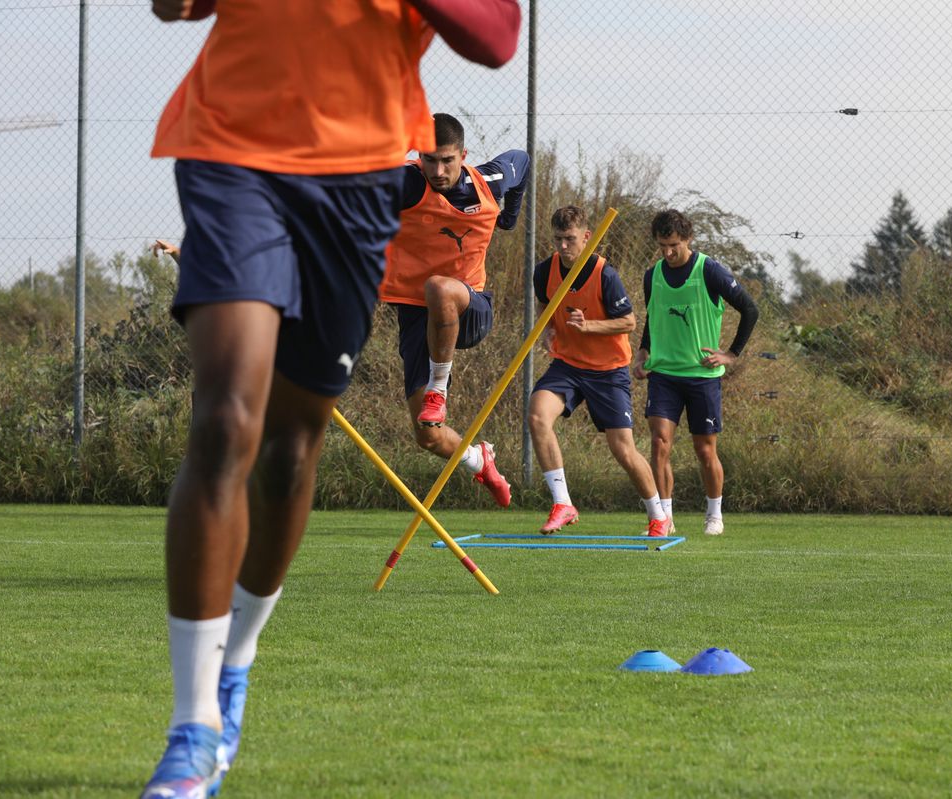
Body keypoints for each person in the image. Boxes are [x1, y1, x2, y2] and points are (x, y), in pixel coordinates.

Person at [140, 2, 520, 798]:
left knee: (286, 453)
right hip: (233, 153)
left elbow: (495, 34)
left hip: (355, 191)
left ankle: (235, 663)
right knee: (224, 422)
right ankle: (191, 728)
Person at [378, 112, 528, 508]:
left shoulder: (490, 181)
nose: (438, 170)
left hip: (470, 307)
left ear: (463, 155)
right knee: (428, 435)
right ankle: (481, 460)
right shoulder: (406, 182)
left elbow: (522, 160)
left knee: (440, 287)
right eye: (429, 160)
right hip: (415, 315)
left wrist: (509, 217)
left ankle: (438, 390)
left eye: (447, 160)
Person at [527, 206, 671, 537]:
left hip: (609, 371)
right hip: (568, 365)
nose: (563, 247)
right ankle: (563, 504)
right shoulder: (543, 271)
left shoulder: (605, 274)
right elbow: (544, 303)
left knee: (623, 449)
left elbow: (629, 322)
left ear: (587, 237)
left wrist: (589, 325)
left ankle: (657, 515)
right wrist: (548, 327)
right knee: (537, 415)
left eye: (570, 239)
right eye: (558, 239)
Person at [631, 208, 759, 536]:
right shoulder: (653, 275)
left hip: (702, 377)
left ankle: (714, 514)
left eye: (673, 244)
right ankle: (665, 518)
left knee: (705, 450)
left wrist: (731, 354)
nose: (668, 252)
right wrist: (644, 350)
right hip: (664, 375)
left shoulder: (709, 271)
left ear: (688, 239)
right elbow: (654, 317)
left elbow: (749, 309)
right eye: (662, 245)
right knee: (660, 443)